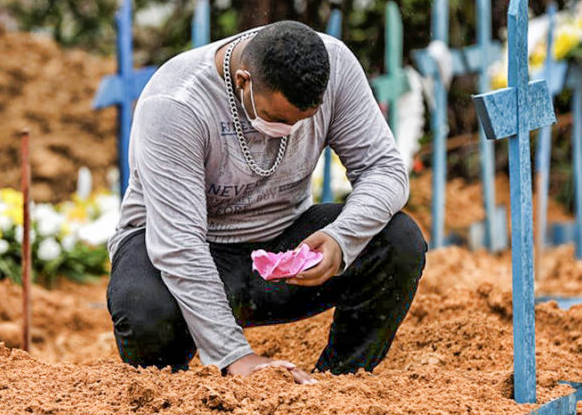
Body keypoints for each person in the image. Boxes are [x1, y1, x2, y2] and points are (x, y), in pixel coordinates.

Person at [106, 20, 425, 384]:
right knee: (144, 308)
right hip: (185, 251)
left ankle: (337, 386)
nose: (289, 129)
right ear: (243, 81)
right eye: (277, 118)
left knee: (398, 240)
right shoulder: (176, 103)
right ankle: (173, 396)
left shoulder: (336, 66)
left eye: (303, 120)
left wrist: (342, 238)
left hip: (280, 251)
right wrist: (236, 356)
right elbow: (179, 244)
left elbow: (385, 169)